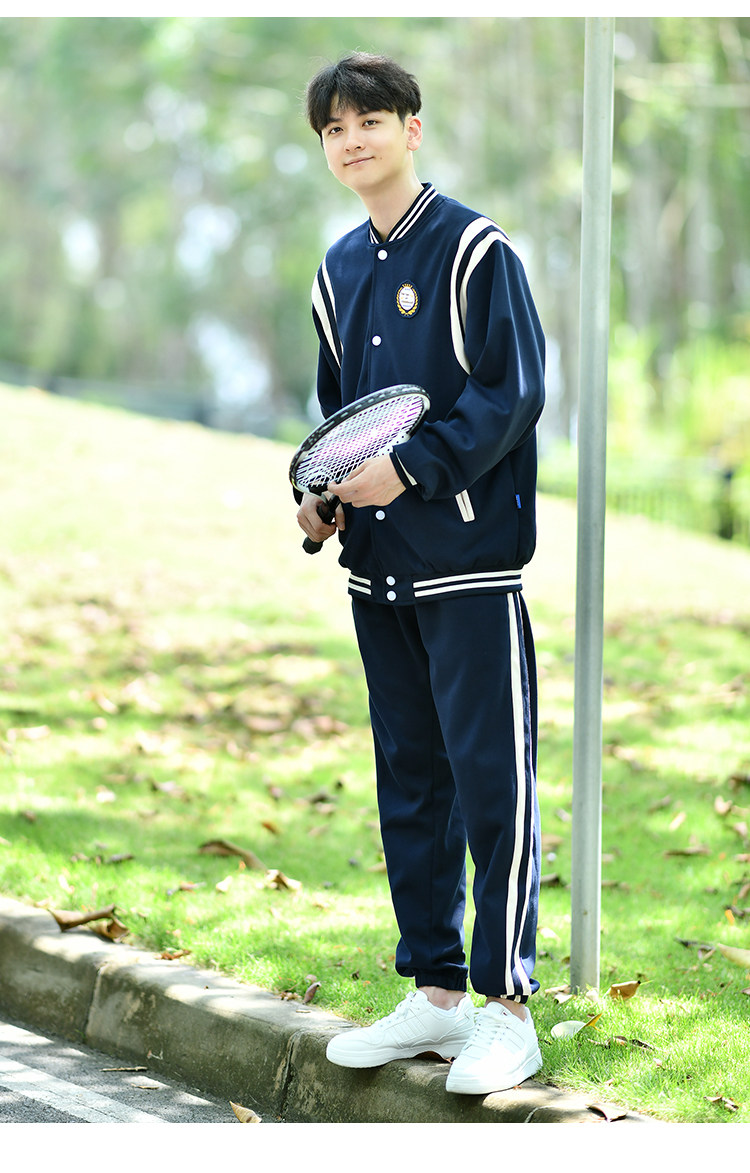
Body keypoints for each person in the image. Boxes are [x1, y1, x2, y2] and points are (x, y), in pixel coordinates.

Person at [297, 52, 546, 1096]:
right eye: (334, 128)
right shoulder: (336, 271)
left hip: (468, 570)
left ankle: (509, 1009)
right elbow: (340, 418)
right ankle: (436, 996)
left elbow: (510, 395)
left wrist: (411, 471)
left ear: (411, 127)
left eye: (370, 121)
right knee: (410, 785)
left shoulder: (476, 250)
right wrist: (319, 496)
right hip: (379, 573)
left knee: (493, 787)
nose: (351, 140)